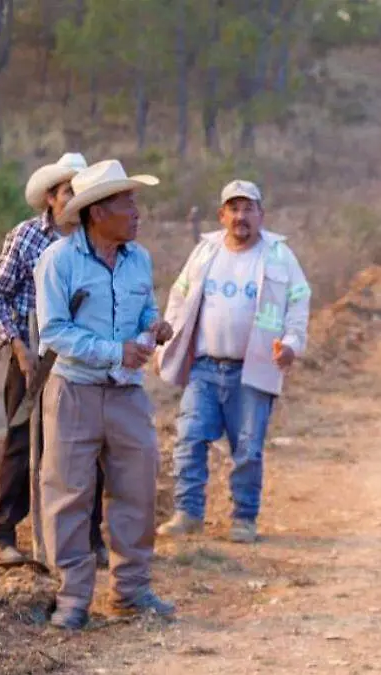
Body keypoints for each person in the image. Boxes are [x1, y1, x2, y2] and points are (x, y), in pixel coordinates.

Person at [33, 158, 175, 630]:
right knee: (69, 494)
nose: (137, 212)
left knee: (137, 486)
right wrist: (117, 351)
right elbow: (55, 332)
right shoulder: (58, 261)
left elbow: (145, 308)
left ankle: (131, 591)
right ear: (97, 212)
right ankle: (73, 599)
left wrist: (154, 326)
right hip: (73, 391)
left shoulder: (139, 259)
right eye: (127, 203)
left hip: (126, 393)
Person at [154, 180, 311, 544]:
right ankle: (188, 513)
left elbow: (299, 301)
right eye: (234, 209)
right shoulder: (205, 252)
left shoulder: (279, 256)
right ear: (221, 215)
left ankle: (243, 518)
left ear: (261, 215)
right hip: (205, 367)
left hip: (254, 369)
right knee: (189, 438)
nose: (241, 216)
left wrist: (292, 344)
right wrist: (166, 346)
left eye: (248, 209)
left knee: (248, 449)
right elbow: (179, 298)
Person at [0, 151, 109, 569]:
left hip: (81, 359)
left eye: (81, 192)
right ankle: (2, 533)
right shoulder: (26, 237)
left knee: (84, 447)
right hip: (32, 358)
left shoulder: (96, 239)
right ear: (51, 198)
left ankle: (88, 538)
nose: (75, 199)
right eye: (68, 191)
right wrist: (17, 346)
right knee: (22, 442)